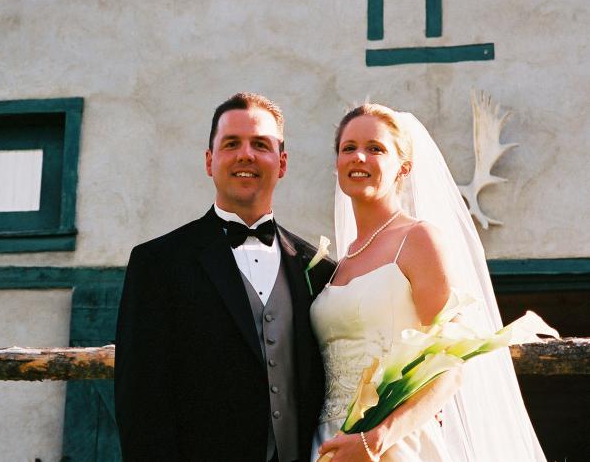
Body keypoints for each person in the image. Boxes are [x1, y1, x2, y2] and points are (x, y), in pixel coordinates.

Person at [310, 104, 546, 461]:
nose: (359, 156)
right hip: (328, 445)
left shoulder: (418, 239)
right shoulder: (342, 262)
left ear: (403, 167)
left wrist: (375, 440)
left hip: (390, 446)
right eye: (349, 148)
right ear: (338, 163)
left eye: (375, 148)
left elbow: (451, 365)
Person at [114, 92, 335, 462]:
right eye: (231, 143)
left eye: (260, 145)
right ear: (209, 160)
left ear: (281, 163)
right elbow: (140, 400)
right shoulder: (157, 263)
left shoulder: (318, 267)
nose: (245, 155)